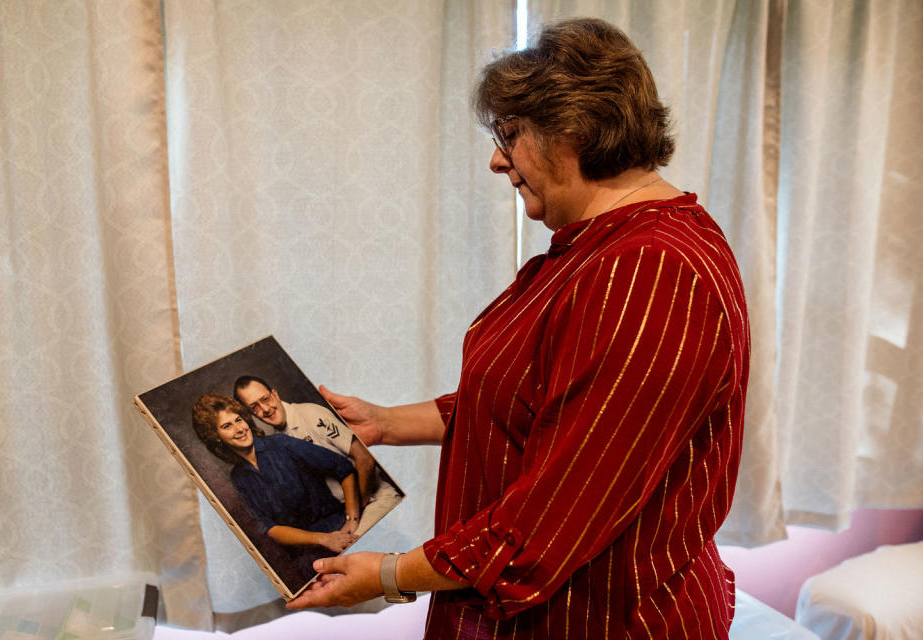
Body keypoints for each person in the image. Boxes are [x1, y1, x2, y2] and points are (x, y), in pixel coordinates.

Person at [287, 17, 749, 640]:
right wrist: (387, 423)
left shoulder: (649, 268)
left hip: (598, 621)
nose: (497, 159)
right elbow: (541, 402)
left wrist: (391, 575)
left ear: (575, 128)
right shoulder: (598, 250)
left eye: (510, 134)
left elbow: (551, 519)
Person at [191, 393, 361, 553]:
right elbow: (270, 528)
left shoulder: (281, 444)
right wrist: (323, 540)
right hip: (307, 552)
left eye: (239, 420)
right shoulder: (238, 477)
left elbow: (342, 468)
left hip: (340, 529)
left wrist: (352, 519)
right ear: (216, 437)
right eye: (227, 426)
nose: (239, 429)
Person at [233, 375, 380, 505]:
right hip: (338, 512)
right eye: (254, 407)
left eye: (265, 399)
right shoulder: (272, 439)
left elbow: (365, 458)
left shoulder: (311, 414)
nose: (265, 409)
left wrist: (358, 508)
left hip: (372, 499)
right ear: (250, 413)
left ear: (275, 394)